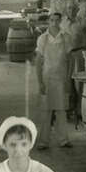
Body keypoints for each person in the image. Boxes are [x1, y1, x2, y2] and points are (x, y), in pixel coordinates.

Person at [34, 12, 73, 149]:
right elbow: (38, 62)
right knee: (46, 110)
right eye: (52, 20)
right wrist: (40, 82)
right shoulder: (42, 39)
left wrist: (69, 79)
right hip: (47, 77)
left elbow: (70, 60)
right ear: (48, 22)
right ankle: (43, 141)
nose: (54, 23)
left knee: (61, 110)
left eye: (57, 20)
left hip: (61, 78)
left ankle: (63, 140)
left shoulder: (66, 38)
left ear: (61, 21)